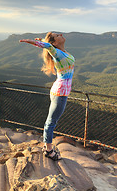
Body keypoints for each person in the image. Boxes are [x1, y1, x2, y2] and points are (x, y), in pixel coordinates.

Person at [19, 32, 75, 161]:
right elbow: (48, 47)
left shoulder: (63, 52)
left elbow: (48, 46)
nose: (61, 34)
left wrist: (43, 42)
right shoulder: (57, 53)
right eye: (57, 35)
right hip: (59, 92)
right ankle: (48, 150)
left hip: (61, 91)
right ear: (55, 42)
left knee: (52, 121)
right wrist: (32, 42)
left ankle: (47, 147)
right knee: (51, 122)